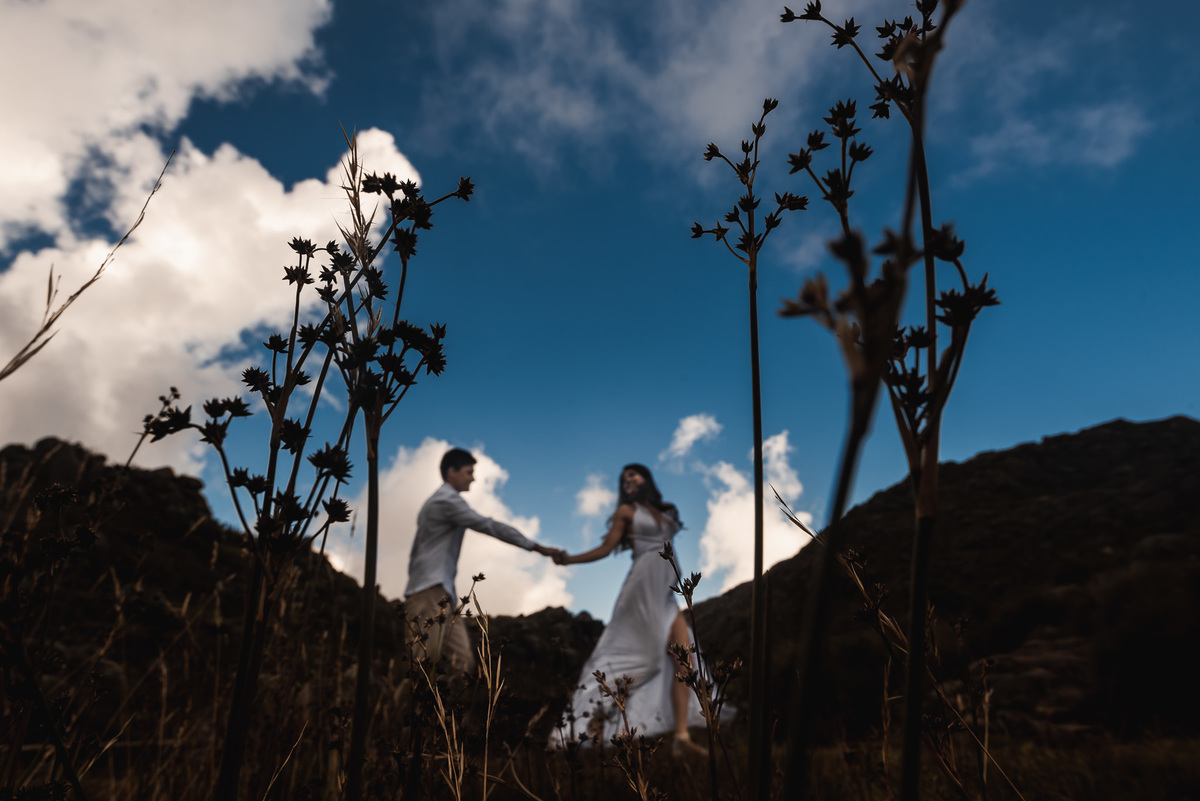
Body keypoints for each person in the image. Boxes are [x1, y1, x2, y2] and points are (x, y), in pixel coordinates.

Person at [553, 464, 708, 755]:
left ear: (646, 478)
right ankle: (596, 716)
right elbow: (605, 548)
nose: (628, 481)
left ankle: (681, 740)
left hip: (667, 592)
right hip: (642, 587)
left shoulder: (669, 510)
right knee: (645, 660)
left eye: (633, 475)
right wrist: (569, 560)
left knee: (685, 662)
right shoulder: (626, 513)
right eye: (624, 479)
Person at [404, 447, 564, 673]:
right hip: (427, 590)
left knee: (461, 662)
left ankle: (443, 709)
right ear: (452, 472)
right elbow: (489, 525)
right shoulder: (445, 501)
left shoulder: (446, 501)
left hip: (441, 591)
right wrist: (537, 547)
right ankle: (398, 709)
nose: (473, 478)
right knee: (421, 665)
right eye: (469, 472)